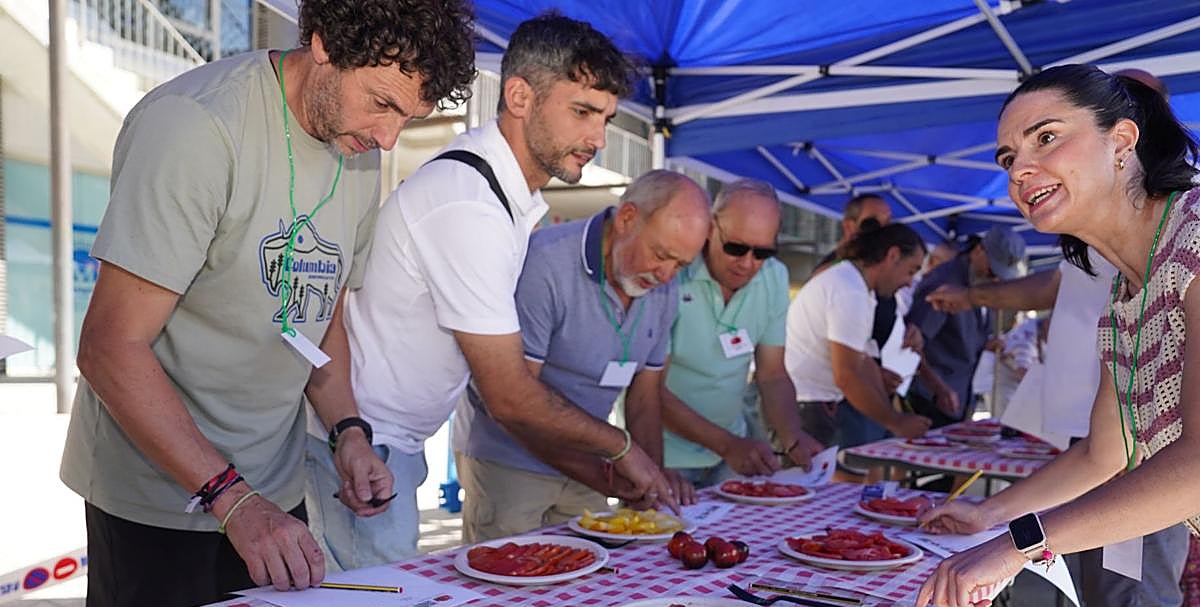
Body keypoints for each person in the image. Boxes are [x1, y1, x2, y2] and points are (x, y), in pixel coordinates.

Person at [58, 0, 476, 607]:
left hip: (274, 497)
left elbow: (319, 316)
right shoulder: (197, 128)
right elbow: (110, 348)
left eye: (409, 117)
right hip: (162, 501)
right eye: (384, 104)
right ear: (325, 43)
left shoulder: (357, 147)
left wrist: (349, 434)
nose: (389, 138)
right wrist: (232, 499)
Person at [911, 64, 1200, 607]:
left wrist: (1019, 544)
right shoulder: (1129, 291)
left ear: (1122, 140)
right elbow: (1103, 455)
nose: (1022, 169)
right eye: (1007, 158)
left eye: (1045, 138)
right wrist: (988, 515)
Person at [307, 13, 676, 569]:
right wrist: (622, 447)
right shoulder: (470, 202)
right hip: (361, 445)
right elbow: (508, 394)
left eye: (606, 119)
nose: (597, 139)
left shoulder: (502, 196)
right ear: (520, 95)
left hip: (388, 442)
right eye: (582, 112)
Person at [453, 171, 710, 541]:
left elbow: (645, 395)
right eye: (661, 255)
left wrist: (650, 478)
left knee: (588, 583)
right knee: (510, 584)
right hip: (511, 461)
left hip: (591, 460)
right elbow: (513, 406)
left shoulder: (664, 287)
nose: (668, 275)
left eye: (681, 265)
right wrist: (612, 462)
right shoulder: (546, 264)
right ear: (626, 219)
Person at [661, 179, 823, 488]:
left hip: (731, 453)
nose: (747, 264)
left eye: (762, 252)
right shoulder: (673, 273)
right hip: (665, 457)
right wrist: (728, 445)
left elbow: (773, 374)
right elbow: (649, 388)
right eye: (736, 248)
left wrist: (793, 437)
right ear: (710, 227)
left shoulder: (775, 277)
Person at [785, 221, 932, 447]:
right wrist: (895, 421)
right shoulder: (850, 291)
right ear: (893, 255)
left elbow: (863, 361)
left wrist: (888, 414)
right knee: (804, 481)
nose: (909, 282)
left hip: (809, 404)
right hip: (804, 406)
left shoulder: (856, 286)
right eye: (910, 271)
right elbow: (847, 375)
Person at [905, 225, 1028, 426]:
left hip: (958, 397)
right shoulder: (945, 284)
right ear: (978, 250)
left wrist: (986, 343)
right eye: (992, 269)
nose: (995, 278)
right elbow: (913, 343)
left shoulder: (977, 283)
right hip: (931, 400)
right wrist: (939, 388)